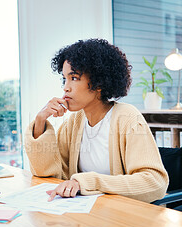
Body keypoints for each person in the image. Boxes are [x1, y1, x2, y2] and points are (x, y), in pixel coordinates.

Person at [24, 39, 168, 203]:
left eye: (74, 78)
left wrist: (86, 182)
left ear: (99, 83)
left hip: (125, 217)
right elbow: (51, 175)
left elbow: (155, 183)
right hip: (90, 214)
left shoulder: (128, 118)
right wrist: (40, 121)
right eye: (65, 79)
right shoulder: (74, 122)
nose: (66, 87)